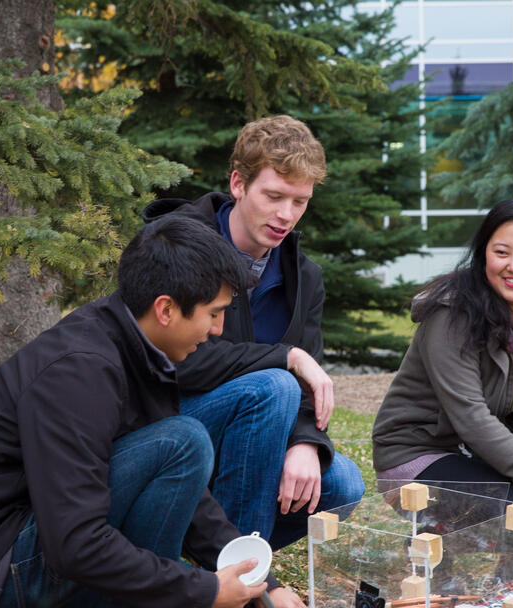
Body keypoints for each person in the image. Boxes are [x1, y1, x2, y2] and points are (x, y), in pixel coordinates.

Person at [0, 216, 318, 608]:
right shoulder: (81, 371)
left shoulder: (136, 346)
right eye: (213, 313)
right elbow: (74, 540)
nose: (219, 330)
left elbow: (189, 500)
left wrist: (264, 583)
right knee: (184, 441)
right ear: (165, 309)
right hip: (3, 568)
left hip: (41, 549)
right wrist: (199, 589)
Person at [141, 115, 365, 552]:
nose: (286, 215)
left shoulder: (305, 277)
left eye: (299, 201)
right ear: (239, 184)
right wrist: (287, 357)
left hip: (258, 434)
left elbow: (306, 385)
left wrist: (304, 442)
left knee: (342, 483)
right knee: (273, 385)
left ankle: (230, 554)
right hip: (169, 427)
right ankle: (235, 592)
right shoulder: (176, 244)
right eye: (274, 196)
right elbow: (172, 362)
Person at [371, 198, 513, 575]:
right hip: (420, 456)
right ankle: (436, 541)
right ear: (484, 256)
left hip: (477, 455)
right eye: (501, 252)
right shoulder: (451, 314)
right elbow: (470, 416)